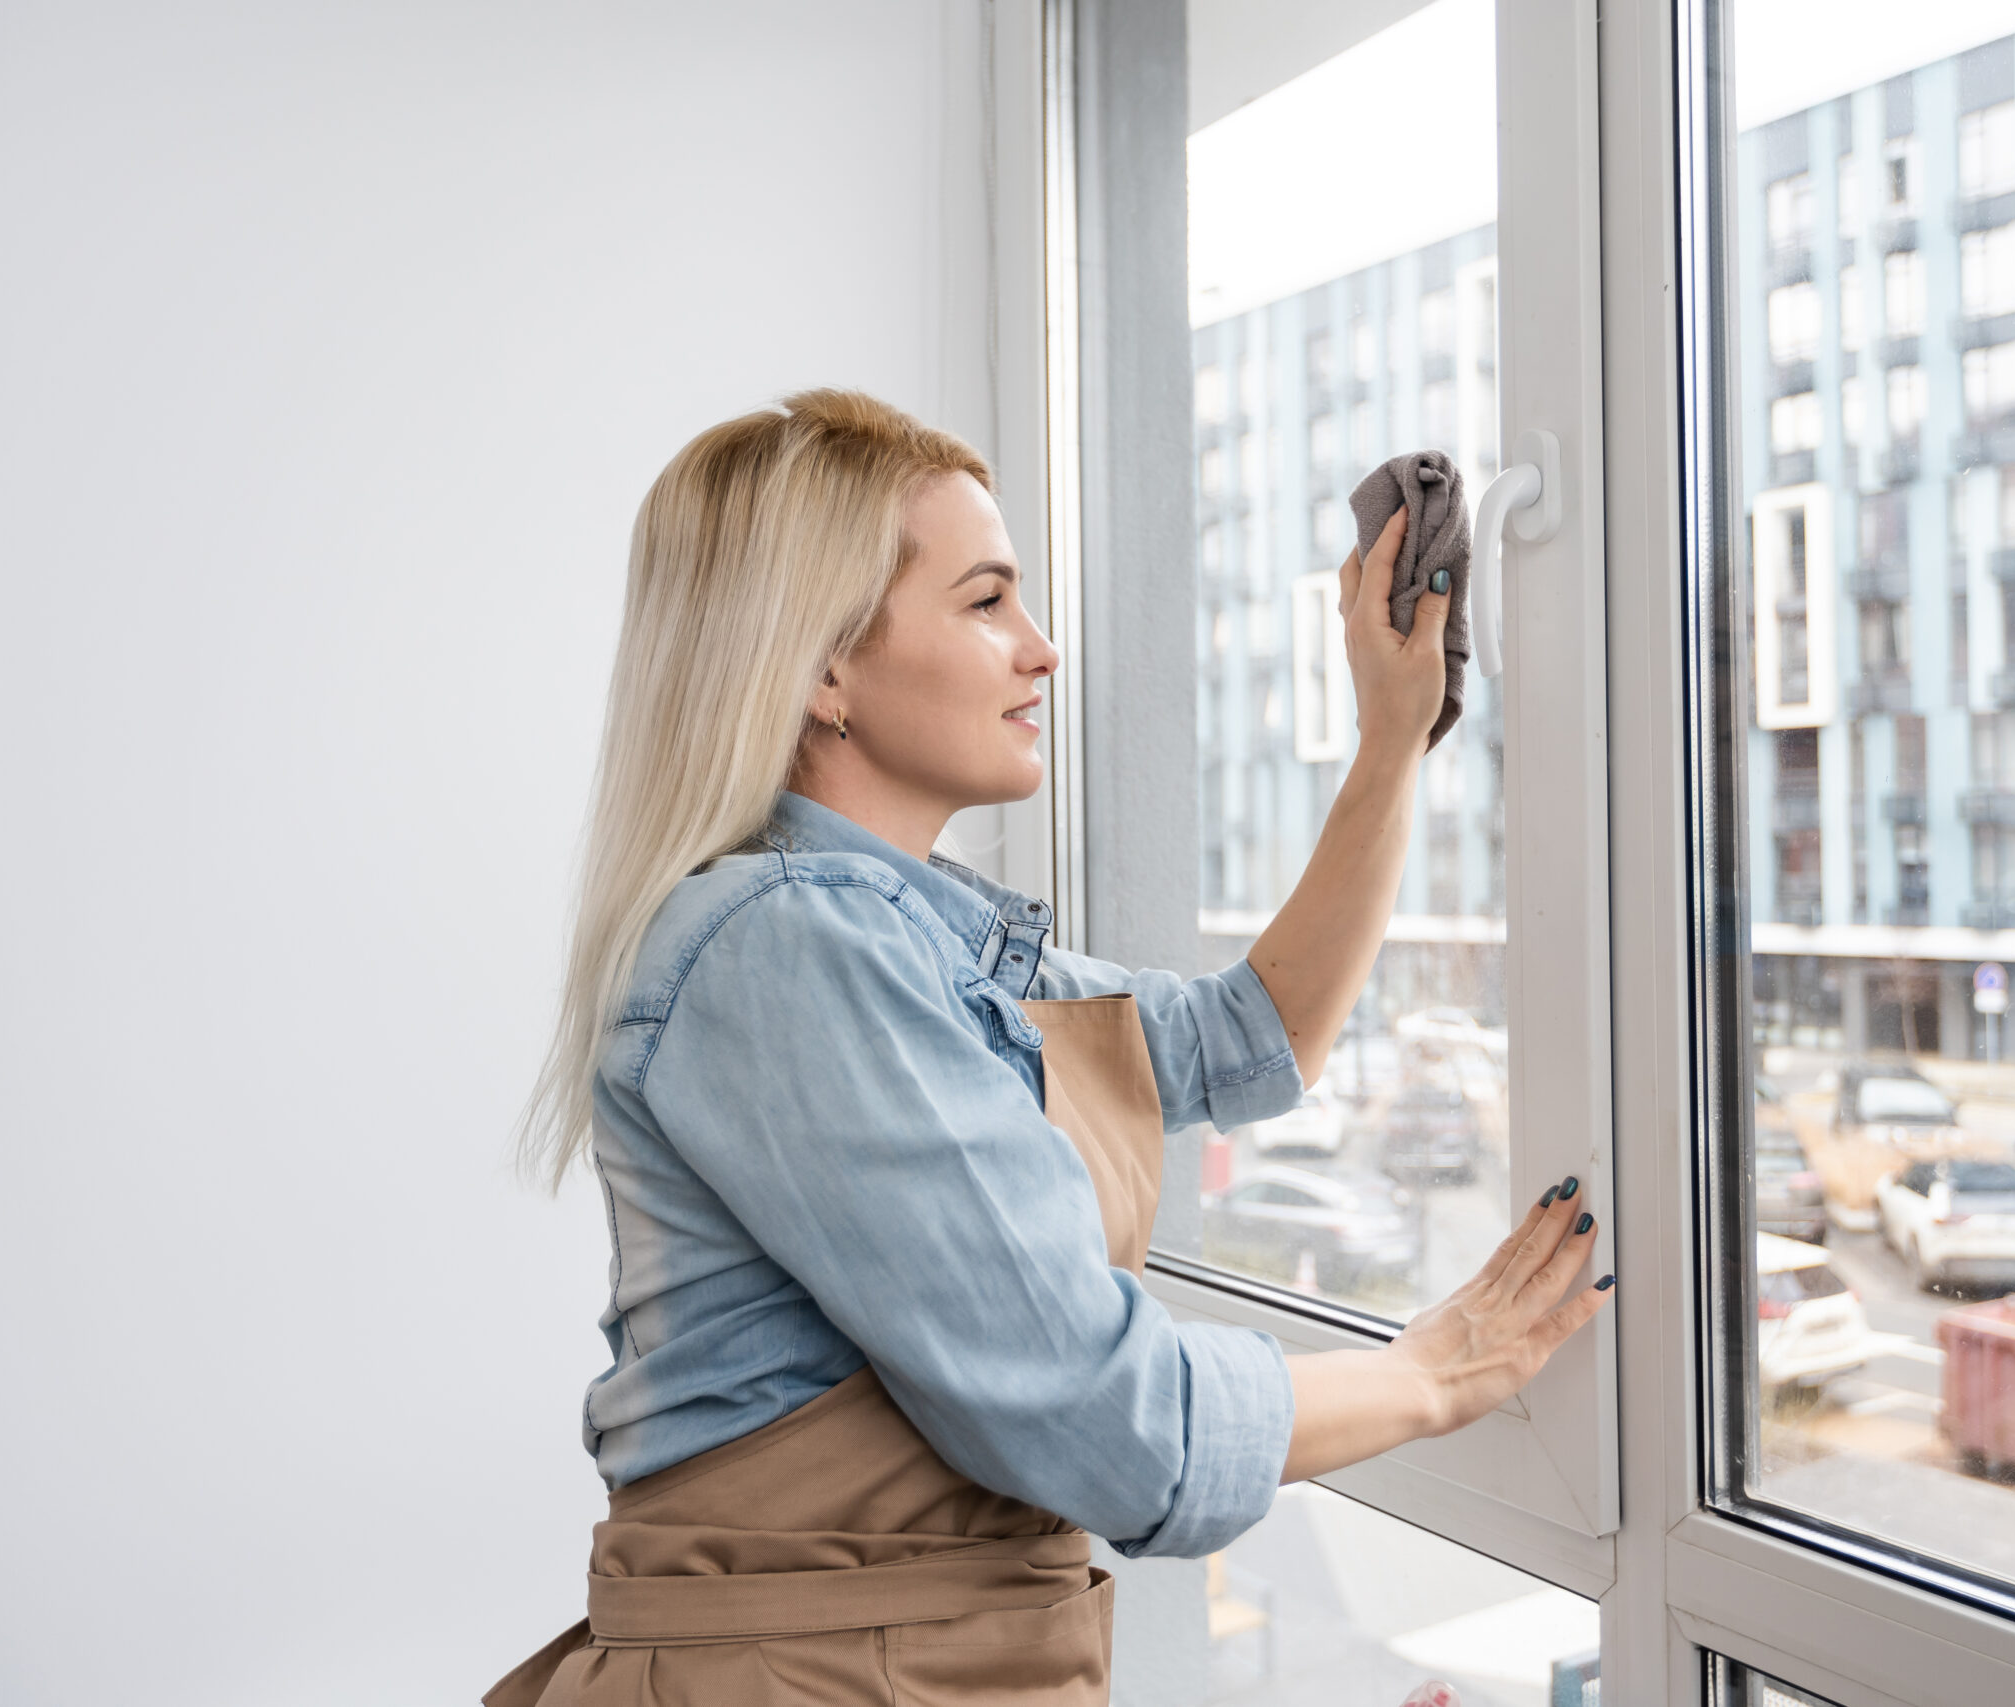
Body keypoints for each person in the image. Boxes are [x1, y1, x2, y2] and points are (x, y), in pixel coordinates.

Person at [487, 389, 1612, 1706]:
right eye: (985, 602)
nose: (1043, 650)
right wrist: (1433, 1373)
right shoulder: (790, 946)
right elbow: (1118, 1426)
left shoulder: (912, 945)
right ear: (823, 669)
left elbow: (1254, 1037)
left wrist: (1392, 739)